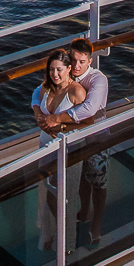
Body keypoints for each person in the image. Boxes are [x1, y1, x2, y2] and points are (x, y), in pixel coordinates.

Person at [33, 38, 109, 249]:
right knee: (79, 180)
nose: (76, 66)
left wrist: (56, 121)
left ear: (90, 61)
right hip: (73, 140)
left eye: (81, 62)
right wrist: (38, 110)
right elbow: (38, 91)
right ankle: (82, 213)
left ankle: (96, 225)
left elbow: (89, 110)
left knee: (97, 180)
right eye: (73, 60)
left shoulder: (97, 80)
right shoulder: (62, 76)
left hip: (96, 136)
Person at [32, 49, 86, 249]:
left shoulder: (76, 92)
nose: (55, 74)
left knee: (67, 196)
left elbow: (87, 123)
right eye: (52, 70)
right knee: (46, 191)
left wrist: (60, 127)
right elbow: (36, 102)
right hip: (45, 144)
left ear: (69, 69)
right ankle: (47, 236)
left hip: (69, 147)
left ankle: (67, 244)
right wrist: (40, 118)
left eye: (60, 70)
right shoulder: (45, 88)